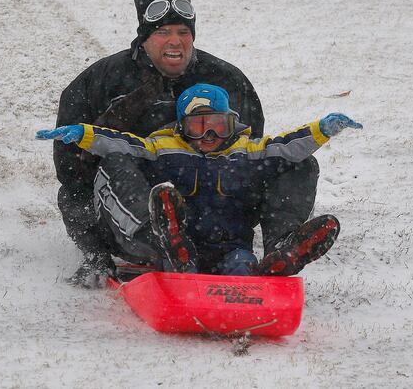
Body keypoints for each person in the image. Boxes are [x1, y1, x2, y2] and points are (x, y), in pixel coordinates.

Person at [53, 0, 317, 287]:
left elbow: (250, 150)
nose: (174, 41)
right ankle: (159, 242)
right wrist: (95, 248)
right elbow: (70, 175)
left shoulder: (227, 80)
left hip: (216, 209)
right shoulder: (100, 82)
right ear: (144, 38)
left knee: (298, 162)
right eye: (163, 32)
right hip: (134, 209)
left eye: (183, 32)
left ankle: (282, 248)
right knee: (109, 166)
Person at [38, 83, 362, 278]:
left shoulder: (247, 151)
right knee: (116, 161)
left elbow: (290, 145)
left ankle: (280, 254)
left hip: (230, 249)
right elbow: (119, 143)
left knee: (300, 163)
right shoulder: (162, 148)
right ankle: (164, 240)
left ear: (231, 124)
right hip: (174, 246)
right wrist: (82, 133)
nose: (208, 135)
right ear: (181, 127)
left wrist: (323, 129)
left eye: (217, 126)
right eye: (197, 126)